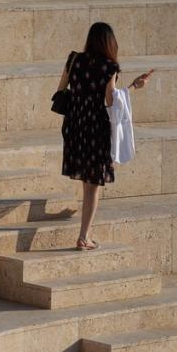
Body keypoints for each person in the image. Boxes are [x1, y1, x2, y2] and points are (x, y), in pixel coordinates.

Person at [54, 21, 153, 249]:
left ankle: (84, 234)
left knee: (86, 183)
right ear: (110, 43)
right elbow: (111, 101)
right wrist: (134, 87)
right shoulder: (110, 67)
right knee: (92, 186)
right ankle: (83, 237)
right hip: (96, 129)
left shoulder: (74, 60)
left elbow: (60, 90)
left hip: (74, 127)